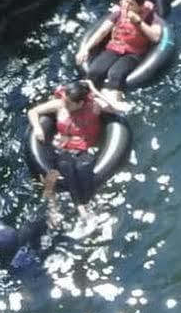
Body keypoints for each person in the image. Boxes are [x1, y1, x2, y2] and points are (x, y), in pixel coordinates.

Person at [27, 79, 123, 220]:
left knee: (82, 167)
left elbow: (117, 109)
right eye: (64, 100)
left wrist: (94, 90)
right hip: (64, 148)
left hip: (85, 149)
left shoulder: (94, 106)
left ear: (80, 103)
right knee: (65, 164)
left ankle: (82, 206)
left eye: (68, 103)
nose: (64, 104)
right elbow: (33, 111)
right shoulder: (60, 105)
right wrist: (37, 127)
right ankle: (80, 208)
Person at [76, 0, 162, 89]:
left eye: (131, 4)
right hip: (114, 48)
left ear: (141, 6)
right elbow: (102, 31)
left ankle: (113, 97)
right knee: (95, 71)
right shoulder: (119, 13)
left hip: (133, 54)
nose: (126, 5)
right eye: (126, 1)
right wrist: (85, 48)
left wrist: (139, 22)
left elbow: (156, 37)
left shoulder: (151, 17)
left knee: (115, 74)